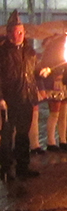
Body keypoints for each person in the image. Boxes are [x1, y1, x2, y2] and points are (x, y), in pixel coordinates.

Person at [0, 10, 43, 179]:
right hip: (9, 99)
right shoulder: (3, 52)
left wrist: (42, 72)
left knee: (23, 134)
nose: (18, 35)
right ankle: (5, 167)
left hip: (26, 98)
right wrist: (1, 98)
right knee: (7, 135)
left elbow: (33, 72)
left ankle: (22, 167)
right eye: (15, 32)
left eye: (21, 32)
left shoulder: (29, 51)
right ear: (8, 33)